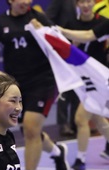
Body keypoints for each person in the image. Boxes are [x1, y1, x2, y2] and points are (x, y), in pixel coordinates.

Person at [0, 0, 69, 170]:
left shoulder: (38, 17)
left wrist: (43, 31)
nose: (26, 2)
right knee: (30, 129)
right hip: (16, 83)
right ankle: (57, 152)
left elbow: (58, 42)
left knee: (31, 128)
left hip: (43, 81)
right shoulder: (0, 22)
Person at [56, 12, 109, 161]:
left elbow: (88, 36)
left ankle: (80, 160)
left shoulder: (102, 20)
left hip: (99, 79)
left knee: (81, 118)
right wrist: (64, 34)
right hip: (87, 77)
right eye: (82, 1)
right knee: (96, 116)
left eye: (89, 1)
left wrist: (62, 30)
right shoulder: (74, 21)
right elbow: (88, 35)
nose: (86, 4)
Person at [46, 0, 79, 138]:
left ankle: (75, 122)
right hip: (64, 50)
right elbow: (48, 20)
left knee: (79, 87)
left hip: (81, 50)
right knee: (65, 87)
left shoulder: (89, 3)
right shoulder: (61, 1)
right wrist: (61, 37)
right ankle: (63, 123)